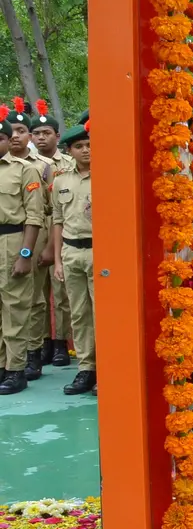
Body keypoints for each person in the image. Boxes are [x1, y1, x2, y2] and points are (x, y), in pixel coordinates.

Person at [0, 105, 44, 396]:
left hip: (12, 241)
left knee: (15, 308)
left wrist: (25, 255)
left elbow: (34, 216)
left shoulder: (25, 169)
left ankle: (16, 370)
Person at [50, 123, 95, 396]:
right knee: (78, 313)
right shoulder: (61, 181)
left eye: (89, 145)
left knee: (102, 311)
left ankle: (106, 368)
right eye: (79, 147)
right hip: (70, 251)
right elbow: (57, 221)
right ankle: (85, 368)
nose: (86, 150)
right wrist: (57, 261)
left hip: (98, 250)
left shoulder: (106, 175)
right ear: (70, 151)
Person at [27, 104, 69, 367]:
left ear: (56, 135)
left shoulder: (70, 162)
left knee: (61, 290)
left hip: (62, 227)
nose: (41, 137)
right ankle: (42, 341)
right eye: (36, 133)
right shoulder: (27, 165)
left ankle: (61, 343)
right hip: (37, 227)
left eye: (46, 132)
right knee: (36, 291)